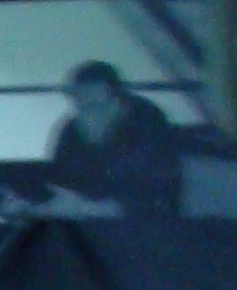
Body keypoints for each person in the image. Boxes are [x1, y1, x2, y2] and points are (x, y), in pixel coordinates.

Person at [18, 59, 187, 218]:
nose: (84, 106)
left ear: (116, 98)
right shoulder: (72, 129)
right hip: (85, 217)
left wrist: (99, 207)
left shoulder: (147, 124)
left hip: (143, 222)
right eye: (78, 99)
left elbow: (154, 191)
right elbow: (61, 177)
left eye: (93, 99)